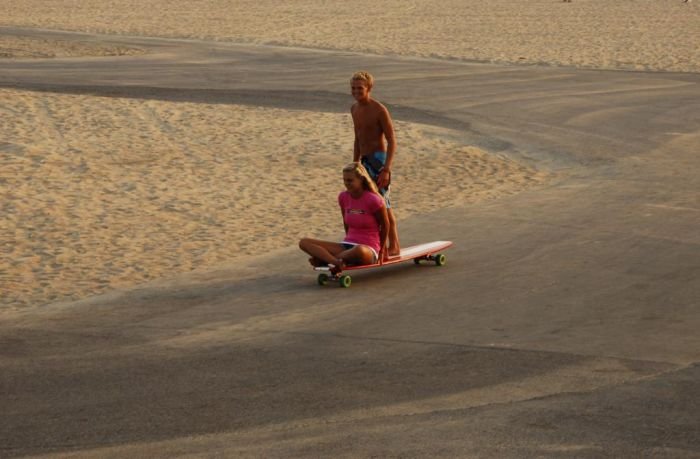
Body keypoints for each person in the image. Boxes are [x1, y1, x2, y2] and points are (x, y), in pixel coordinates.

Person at [299, 162, 389, 273]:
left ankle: (326, 259)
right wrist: (347, 242)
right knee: (304, 242)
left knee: (359, 250)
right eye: (345, 180)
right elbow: (346, 223)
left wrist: (382, 250)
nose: (347, 184)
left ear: (361, 179)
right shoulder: (343, 197)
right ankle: (336, 261)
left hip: (368, 248)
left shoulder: (374, 199)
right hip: (347, 245)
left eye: (350, 180)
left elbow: (385, 225)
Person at [350, 71, 401, 256]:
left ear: (369, 88)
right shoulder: (354, 109)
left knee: (384, 204)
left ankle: (394, 244)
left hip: (378, 161)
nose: (356, 91)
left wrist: (386, 169)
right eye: (353, 88)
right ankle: (375, 242)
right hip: (364, 162)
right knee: (370, 203)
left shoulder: (379, 109)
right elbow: (357, 138)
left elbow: (392, 140)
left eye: (360, 88)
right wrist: (355, 164)